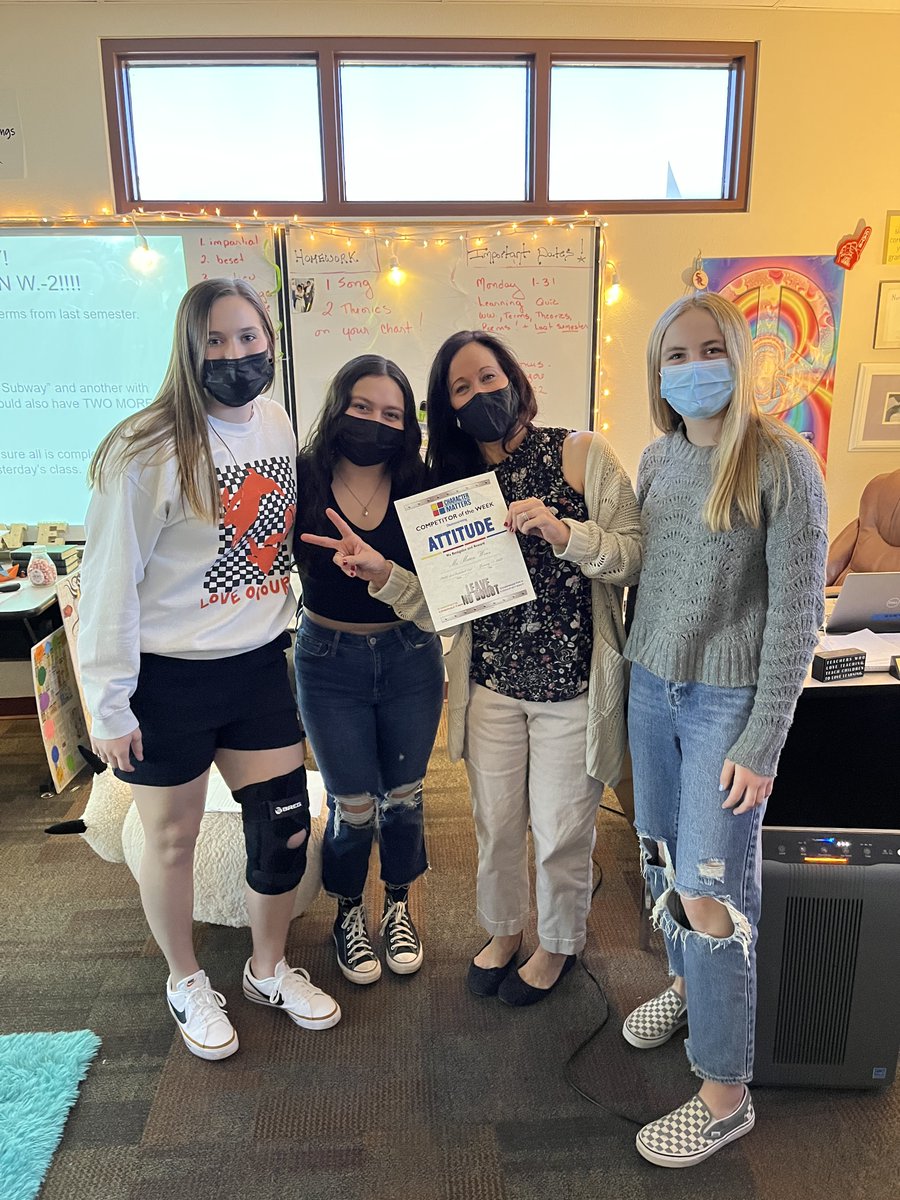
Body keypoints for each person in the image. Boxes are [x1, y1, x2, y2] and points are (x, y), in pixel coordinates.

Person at [305, 331, 641, 1005]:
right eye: (461, 389)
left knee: (559, 829)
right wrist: (384, 576)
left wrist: (562, 531)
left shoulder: (580, 453)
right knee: (494, 824)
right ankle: (504, 932)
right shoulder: (454, 487)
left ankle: (559, 944)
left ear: (514, 377)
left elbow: (634, 555)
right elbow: (439, 607)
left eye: (488, 377)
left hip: (572, 689)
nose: (481, 395)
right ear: (447, 409)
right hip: (488, 686)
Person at [79, 278, 340, 1062]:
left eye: (249, 340)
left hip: (258, 664)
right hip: (168, 677)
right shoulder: (144, 449)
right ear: (190, 351)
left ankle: (267, 967)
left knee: (285, 828)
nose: (236, 356)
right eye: (216, 343)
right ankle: (186, 978)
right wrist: (109, 704)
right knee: (171, 840)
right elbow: (107, 581)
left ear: (271, 343)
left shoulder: (275, 423)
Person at [621, 292, 827, 1167]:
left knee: (712, 892)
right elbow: (639, 567)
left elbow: (795, 615)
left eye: (710, 348)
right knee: (663, 859)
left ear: (739, 358)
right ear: (659, 372)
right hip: (649, 690)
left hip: (725, 705)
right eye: (676, 354)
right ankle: (685, 989)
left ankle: (723, 1092)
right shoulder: (658, 460)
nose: (692, 366)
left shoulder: (784, 462)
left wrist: (763, 739)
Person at [295, 355, 444, 985]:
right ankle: (350, 910)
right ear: (339, 407)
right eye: (363, 408)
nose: (377, 423)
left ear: (409, 424)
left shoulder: (424, 483)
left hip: (410, 654)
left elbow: (445, 597)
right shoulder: (301, 476)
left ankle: (400, 904)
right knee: (352, 802)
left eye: (392, 414)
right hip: (327, 662)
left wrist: (384, 573)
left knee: (404, 797)